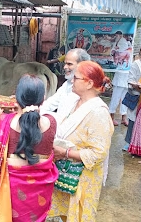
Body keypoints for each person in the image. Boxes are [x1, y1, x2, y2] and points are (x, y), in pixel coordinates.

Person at [0, 75, 59, 222]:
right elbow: (30, 123)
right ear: (43, 98)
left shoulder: (4, 121)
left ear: (15, 98)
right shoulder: (51, 121)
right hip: (40, 193)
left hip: (11, 192)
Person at [48, 61, 114, 222]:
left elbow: (98, 153)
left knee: (77, 216)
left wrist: (66, 152)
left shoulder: (98, 113)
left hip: (83, 178)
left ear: (89, 83)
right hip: (65, 172)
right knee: (65, 214)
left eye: (76, 78)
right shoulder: (74, 102)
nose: (71, 80)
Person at [40, 48, 91, 120]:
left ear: (82, 65)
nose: (65, 67)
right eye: (65, 63)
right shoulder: (67, 84)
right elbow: (51, 103)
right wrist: (34, 111)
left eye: (69, 64)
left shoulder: (86, 89)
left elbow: (68, 118)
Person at [122, 45, 141, 151]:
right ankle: (129, 142)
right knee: (132, 120)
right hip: (136, 95)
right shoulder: (136, 64)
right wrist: (140, 86)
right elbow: (130, 80)